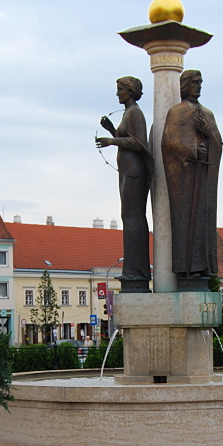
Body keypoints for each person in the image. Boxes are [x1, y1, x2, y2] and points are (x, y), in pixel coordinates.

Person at [161, 69, 223, 286]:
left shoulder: (208, 114)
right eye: (194, 83)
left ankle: (204, 266)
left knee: (203, 222)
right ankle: (188, 269)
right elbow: (169, 143)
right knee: (186, 222)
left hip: (203, 178)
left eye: (200, 83)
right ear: (184, 85)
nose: (198, 86)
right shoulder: (177, 112)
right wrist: (194, 151)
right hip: (185, 179)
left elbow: (218, 143)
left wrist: (208, 135)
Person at [96, 77, 152, 290]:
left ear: (130, 91)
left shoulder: (135, 112)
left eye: (120, 89)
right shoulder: (129, 113)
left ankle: (136, 270)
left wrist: (112, 141)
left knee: (133, 217)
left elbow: (138, 143)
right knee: (129, 217)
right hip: (128, 170)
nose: (117, 93)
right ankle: (132, 267)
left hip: (134, 172)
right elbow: (128, 139)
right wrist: (112, 130)